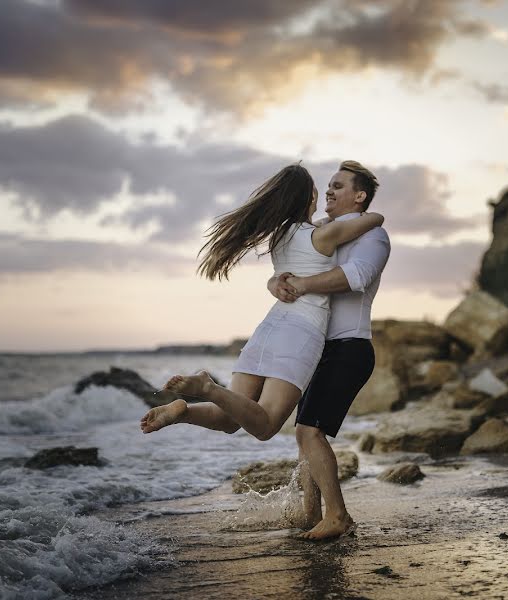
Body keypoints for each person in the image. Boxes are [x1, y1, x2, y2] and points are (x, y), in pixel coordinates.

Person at [139, 164, 383, 486]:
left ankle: (184, 410)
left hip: (268, 329)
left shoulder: (279, 236)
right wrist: (359, 216)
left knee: (230, 419)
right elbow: (373, 219)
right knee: (266, 424)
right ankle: (207, 387)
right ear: (309, 197)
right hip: (300, 333)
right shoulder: (323, 235)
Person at [268, 160, 390, 540]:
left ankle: (338, 516)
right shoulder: (322, 233)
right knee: (303, 433)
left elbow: (356, 277)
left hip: (349, 347)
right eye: (328, 186)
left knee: (310, 431)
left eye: (339, 186)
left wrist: (303, 284)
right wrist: (277, 282)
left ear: (360, 196)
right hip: (318, 347)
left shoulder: (373, 237)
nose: (330, 192)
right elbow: (289, 268)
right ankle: (311, 513)